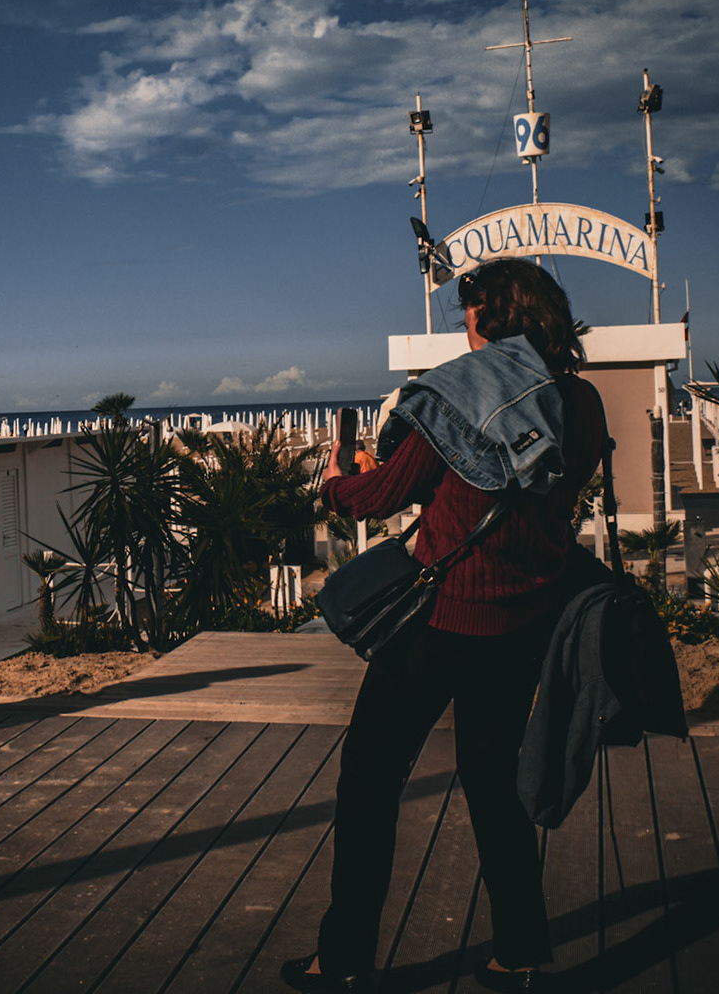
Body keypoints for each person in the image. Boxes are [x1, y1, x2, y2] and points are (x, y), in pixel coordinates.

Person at [283, 260, 606, 993]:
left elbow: (376, 498)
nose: (463, 325)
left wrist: (339, 478)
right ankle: (519, 946)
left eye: (470, 311)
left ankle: (343, 959)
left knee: (368, 779)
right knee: (494, 780)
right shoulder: (580, 401)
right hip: (525, 619)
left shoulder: (459, 397)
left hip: (439, 622)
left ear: (494, 318)